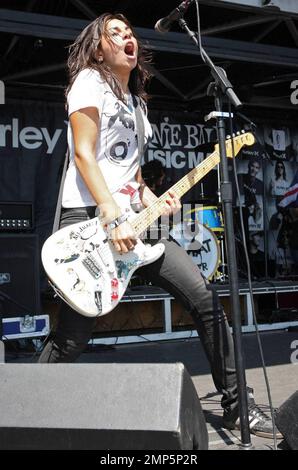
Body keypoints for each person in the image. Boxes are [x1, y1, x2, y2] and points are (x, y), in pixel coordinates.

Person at [38, 13, 280, 438]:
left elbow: (130, 177)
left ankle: (240, 407)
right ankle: (25, 404)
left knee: (205, 299)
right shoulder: (89, 83)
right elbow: (84, 155)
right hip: (93, 222)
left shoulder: (137, 104)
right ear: (97, 48)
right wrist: (112, 216)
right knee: (73, 338)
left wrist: (156, 200)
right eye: (116, 33)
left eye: (130, 31)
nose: (127, 36)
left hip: (136, 223)